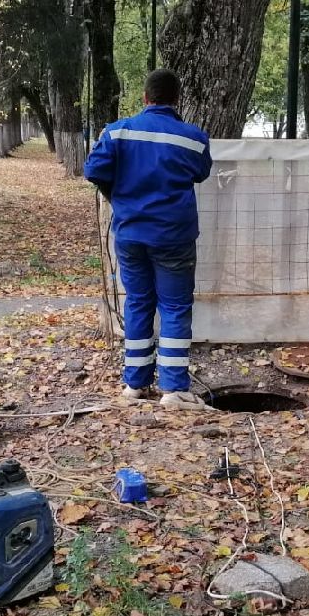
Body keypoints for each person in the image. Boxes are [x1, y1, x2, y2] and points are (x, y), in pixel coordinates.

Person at [85, 69, 212, 409]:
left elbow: (93, 171)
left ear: (145, 98)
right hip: (174, 236)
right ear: (177, 99)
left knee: (138, 302)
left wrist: (118, 198)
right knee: (174, 306)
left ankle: (134, 386)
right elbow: (201, 173)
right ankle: (173, 390)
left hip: (130, 234)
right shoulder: (194, 138)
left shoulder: (117, 132)